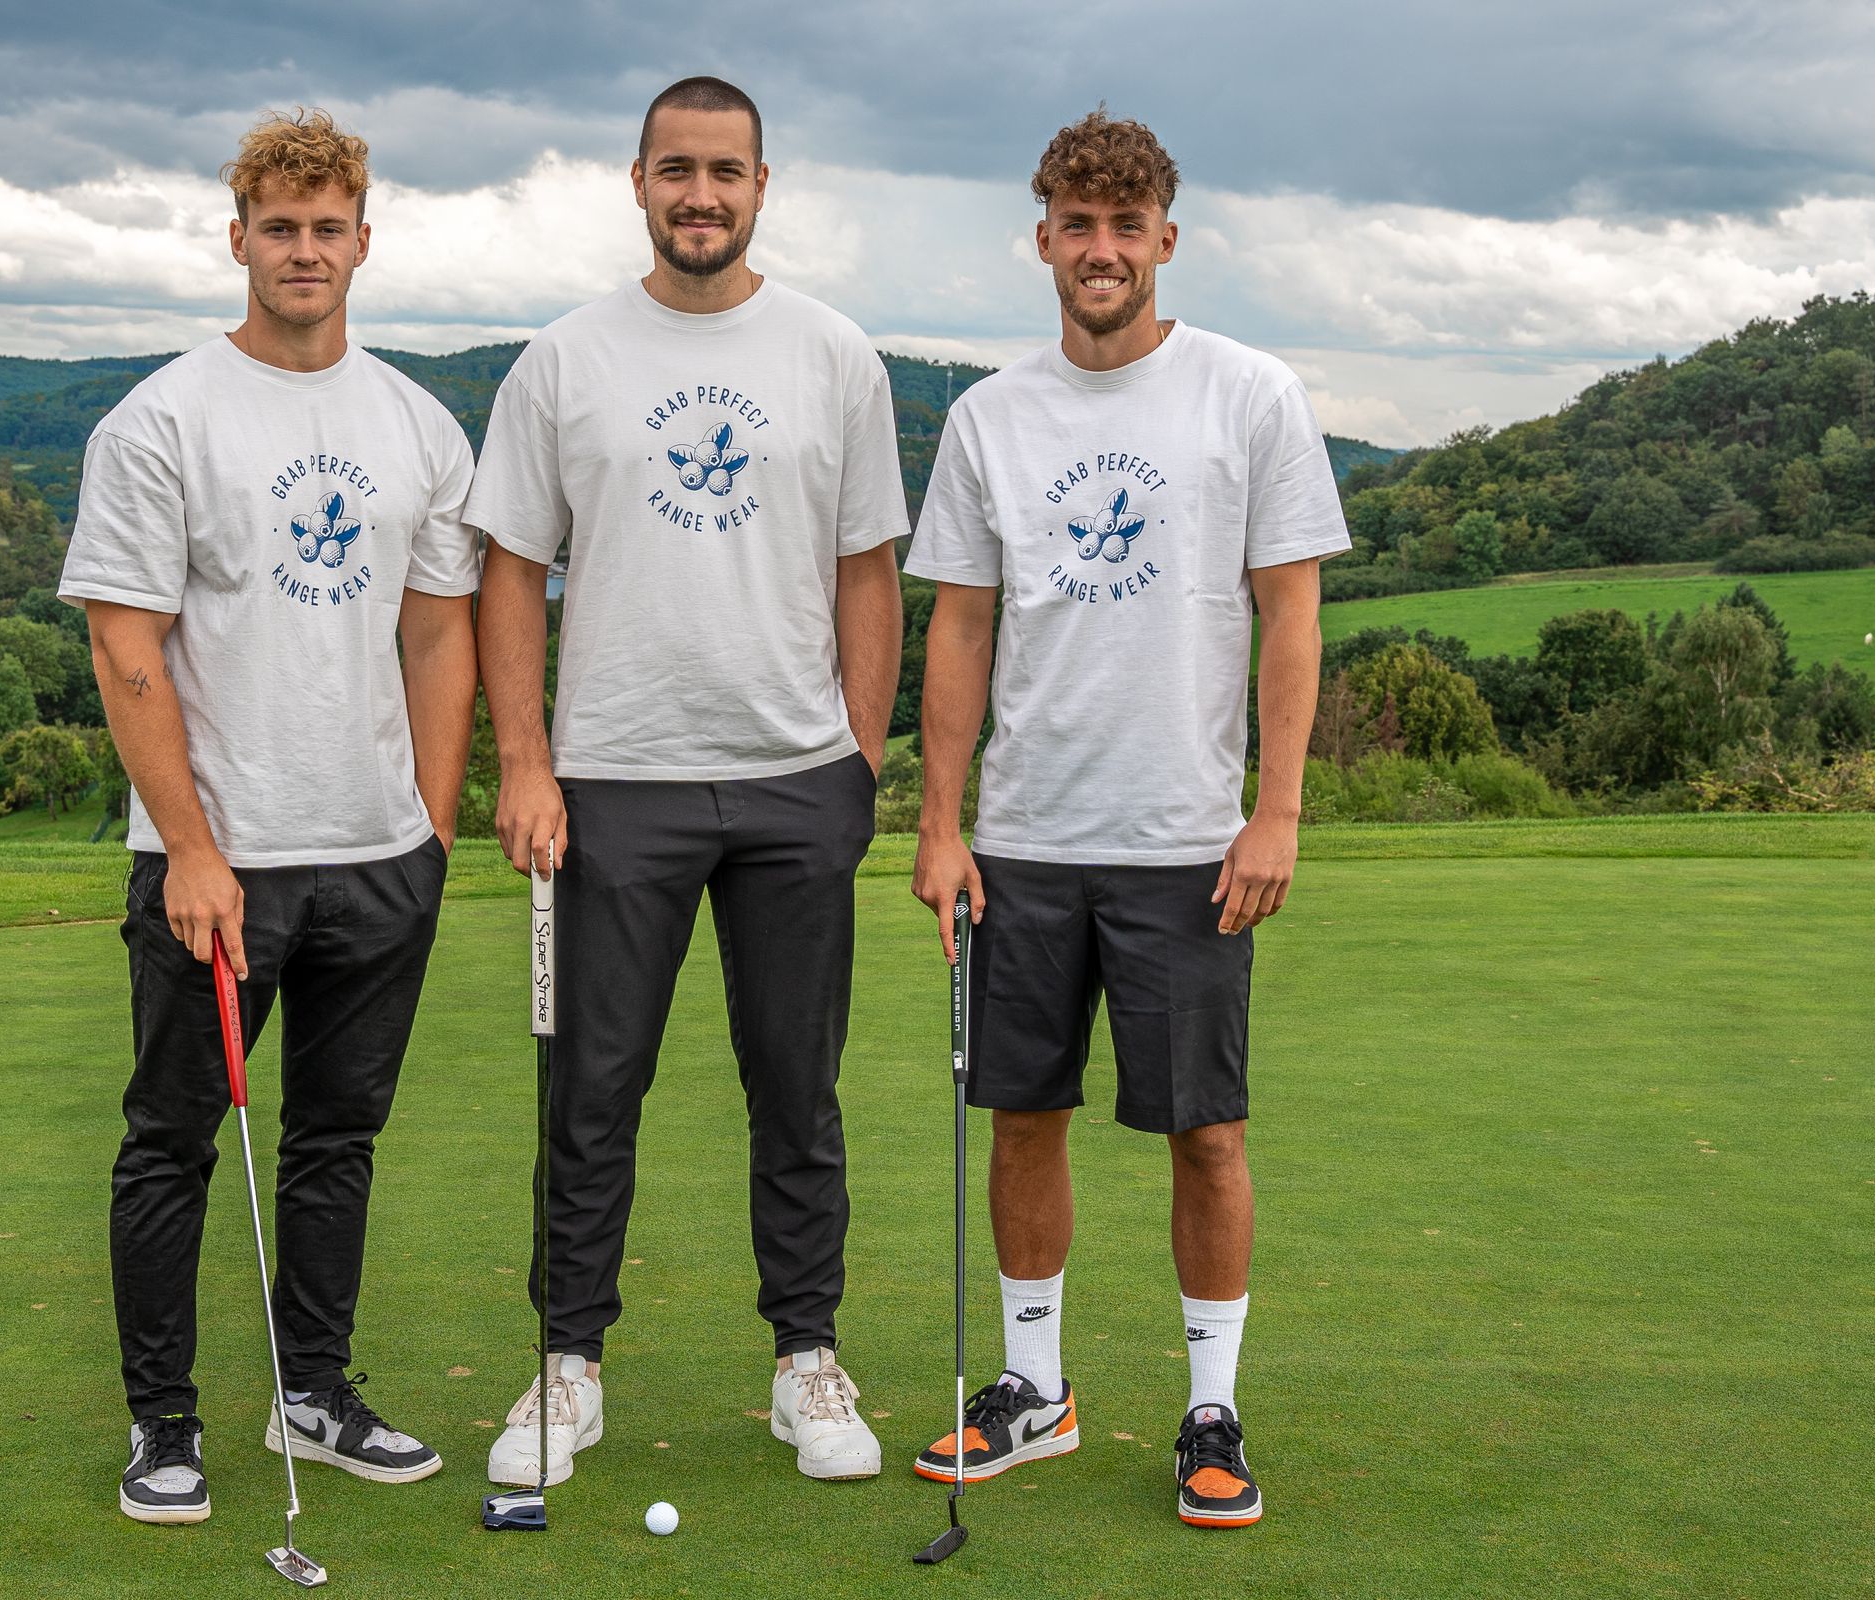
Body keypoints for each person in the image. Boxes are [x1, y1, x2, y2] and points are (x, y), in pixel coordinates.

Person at [904, 105, 1350, 1529]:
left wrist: (1277, 811)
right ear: (1043, 239)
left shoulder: (1250, 395)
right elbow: (960, 627)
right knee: (1022, 1118)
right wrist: (939, 823)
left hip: (1186, 847)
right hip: (1025, 843)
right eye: (1078, 225)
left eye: (1126, 225)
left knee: (1204, 1133)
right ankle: (1033, 1392)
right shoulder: (989, 416)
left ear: (1166, 239)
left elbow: (1290, 615)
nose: (1102, 249)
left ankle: (1211, 1412)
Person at [468, 75, 906, 1486]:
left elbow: (869, 570)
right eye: (677, 170)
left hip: (795, 780)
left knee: (799, 1091)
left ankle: (806, 1362)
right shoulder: (563, 359)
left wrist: (859, 757)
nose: (700, 195)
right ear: (639, 181)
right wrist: (524, 762)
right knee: (592, 1091)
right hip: (614, 781)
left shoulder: (834, 353)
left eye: (726, 171)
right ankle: (568, 1367)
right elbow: (508, 570)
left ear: (761, 185)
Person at [58, 108, 480, 1523]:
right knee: (171, 1145)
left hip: (377, 861)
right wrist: (188, 847)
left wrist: (427, 828)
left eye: (328, 227)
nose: (306, 249)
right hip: (217, 869)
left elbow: (438, 633)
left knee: (335, 1145)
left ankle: (315, 1394)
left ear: (364, 240)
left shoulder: (417, 424)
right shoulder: (161, 420)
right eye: (281, 227)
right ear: (237, 238)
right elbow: (124, 645)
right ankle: (163, 1425)